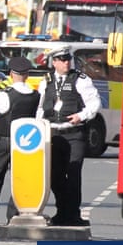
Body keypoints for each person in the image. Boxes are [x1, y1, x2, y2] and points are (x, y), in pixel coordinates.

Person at [37, 45, 101, 226]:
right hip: (52, 134)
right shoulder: (46, 81)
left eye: (68, 60)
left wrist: (81, 116)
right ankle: (62, 211)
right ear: (55, 62)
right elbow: (40, 107)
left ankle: (73, 215)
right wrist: (38, 126)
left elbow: (95, 102)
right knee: (55, 176)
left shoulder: (80, 79)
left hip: (74, 134)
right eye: (62, 60)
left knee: (73, 174)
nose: (66, 63)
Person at [0, 56, 39, 226]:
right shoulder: (35, 95)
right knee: (20, 179)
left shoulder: (4, 95)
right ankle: (14, 214)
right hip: (26, 142)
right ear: (27, 74)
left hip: (3, 141)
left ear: (11, 74)